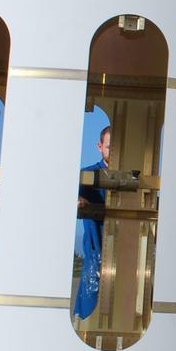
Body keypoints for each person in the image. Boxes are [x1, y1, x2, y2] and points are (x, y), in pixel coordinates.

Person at [74, 126, 112, 320]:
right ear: (100, 146)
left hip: (128, 255)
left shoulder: (133, 178)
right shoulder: (87, 175)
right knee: (90, 303)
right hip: (96, 252)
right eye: (109, 147)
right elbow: (74, 197)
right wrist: (80, 200)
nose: (113, 152)